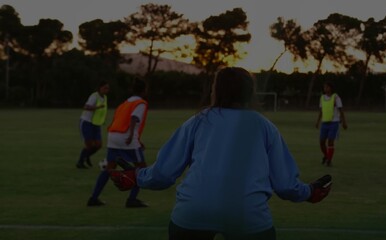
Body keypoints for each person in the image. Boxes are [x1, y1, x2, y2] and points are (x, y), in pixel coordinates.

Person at [109, 67, 332, 239]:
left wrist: (136, 176)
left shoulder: (197, 121)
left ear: (215, 90)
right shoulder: (264, 127)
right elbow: (285, 185)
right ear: (250, 92)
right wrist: (310, 192)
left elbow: (163, 174)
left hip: (192, 212)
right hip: (248, 216)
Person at [87, 78, 149, 208]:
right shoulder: (141, 103)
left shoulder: (124, 103)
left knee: (109, 168)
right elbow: (133, 119)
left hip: (113, 136)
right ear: (144, 90)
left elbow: (121, 120)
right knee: (141, 168)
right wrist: (132, 136)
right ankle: (132, 200)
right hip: (126, 137)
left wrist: (137, 139)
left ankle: (93, 198)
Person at [77, 81, 110, 169]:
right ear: (100, 88)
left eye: (108, 88)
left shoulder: (105, 97)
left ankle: (86, 156)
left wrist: (102, 120)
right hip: (86, 122)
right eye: (105, 88)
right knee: (89, 145)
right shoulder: (94, 96)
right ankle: (80, 162)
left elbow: (103, 111)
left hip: (96, 123)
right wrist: (96, 107)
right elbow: (86, 107)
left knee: (98, 145)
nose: (107, 90)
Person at [315, 80, 348, 167]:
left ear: (331, 88)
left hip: (334, 122)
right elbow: (321, 111)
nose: (325, 88)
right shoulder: (322, 98)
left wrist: (344, 122)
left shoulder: (336, 97)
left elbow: (341, 110)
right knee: (321, 142)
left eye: (327, 87)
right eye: (324, 87)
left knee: (330, 141)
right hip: (324, 122)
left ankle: (329, 160)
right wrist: (318, 121)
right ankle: (326, 156)